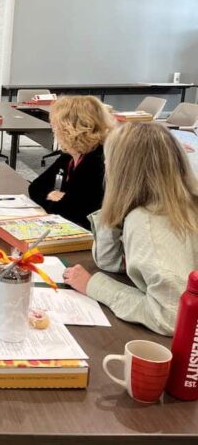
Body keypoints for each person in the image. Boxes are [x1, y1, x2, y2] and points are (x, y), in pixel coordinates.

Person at [63, 122, 198, 336]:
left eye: (109, 158)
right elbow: (110, 262)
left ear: (123, 169)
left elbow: (171, 316)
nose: (105, 163)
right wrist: (114, 208)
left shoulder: (149, 221)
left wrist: (95, 286)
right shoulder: (165, 201)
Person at [28, 96, 113, 229]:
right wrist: (53, 196)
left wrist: (54, 198)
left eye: (55, 127)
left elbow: (67, 211)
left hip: (88, 237)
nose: (53, 131)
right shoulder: (68, 157)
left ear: (69, 129)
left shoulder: (98, 162)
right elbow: (35, 187)